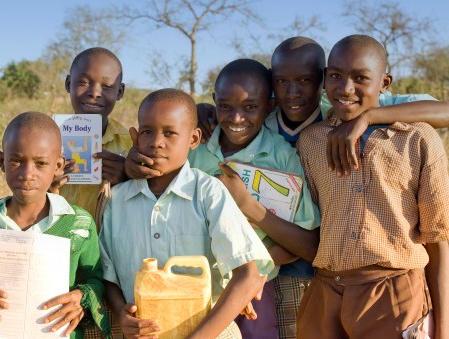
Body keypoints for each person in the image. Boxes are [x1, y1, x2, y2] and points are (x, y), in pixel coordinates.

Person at [196, 36, 449, 339]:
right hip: (318, 283)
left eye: (305, 80)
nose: (294, 92)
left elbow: (438, 236)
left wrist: (369, 116)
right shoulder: (291, 132)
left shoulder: (404, 133)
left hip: (385, 287)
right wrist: (199, 110)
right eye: (337, 77)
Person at [295, 34, 449, 338]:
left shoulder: (418, 139)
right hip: (326, 292)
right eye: (335, 76)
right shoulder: (311, 141)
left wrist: (443, 327)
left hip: (394, 294)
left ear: (385, 82)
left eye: (360, 78)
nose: (346, 88)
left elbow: (438, 237)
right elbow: (313, 223)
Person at [99, 88, 274, 339]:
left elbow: (247, 276)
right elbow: (107, 275)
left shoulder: (208, 192)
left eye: (170, 133)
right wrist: (121, 314)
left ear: (193, 139)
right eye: (148, 131)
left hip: (207, 331)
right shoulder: (117, 200)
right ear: (135, 137)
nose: (157, 142)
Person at [0, 112, 109, 339]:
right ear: (2, 161)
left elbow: (96, 281)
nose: (27, 174)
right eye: (16, 161)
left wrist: (82, 298)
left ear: (58, 165)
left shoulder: (78, 225)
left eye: (41, 163)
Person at [187, 59, 320, 339]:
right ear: (214, 103)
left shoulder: (283, 157)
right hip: (194, 285)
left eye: (250, 107)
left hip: (257, 294)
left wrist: (254, 275)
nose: (236, 118)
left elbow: (304, 241)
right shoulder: (193, 150)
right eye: (226, 107)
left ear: (269, 106)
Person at [51, 47, 132, 222]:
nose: (95, 93)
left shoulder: (129, 144)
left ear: (120, 92)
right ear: (68, 84)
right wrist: (45, 185)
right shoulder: (47, 139)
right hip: (57, 239)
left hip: (106, 245)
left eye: (107, 86)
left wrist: (127, 178)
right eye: (83, 82)